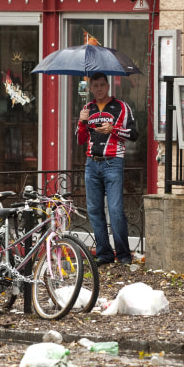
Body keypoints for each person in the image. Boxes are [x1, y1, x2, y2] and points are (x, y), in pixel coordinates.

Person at [76, 72, 138, 266]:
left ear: (108, 86)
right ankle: (104, 254)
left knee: (115, 209)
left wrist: (114, 130)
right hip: (91, 163)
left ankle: (124, 255)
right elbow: (79, 140)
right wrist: (81, 121)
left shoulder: (121, 107)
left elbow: (134, 134)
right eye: (96, 85)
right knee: (94, 210)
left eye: (103, 85)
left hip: (113, 162)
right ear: (91, 88)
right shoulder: (88, 108)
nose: (99, 89)